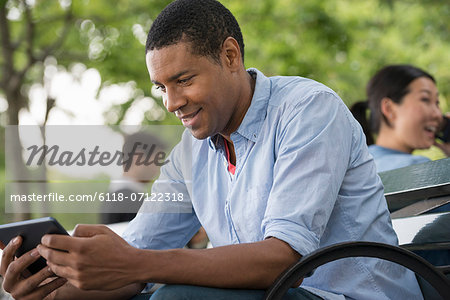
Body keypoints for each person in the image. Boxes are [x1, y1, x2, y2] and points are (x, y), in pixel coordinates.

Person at [0, 1, 423, 299]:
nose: (171, 102)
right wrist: (47, 292)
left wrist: (135, 265)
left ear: (230, 55)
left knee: (174, 297)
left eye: (183, 80)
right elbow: (134, 264)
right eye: (162, 88)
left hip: (344, 295)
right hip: (269, 295)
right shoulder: (192, 150)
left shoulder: (308, 109)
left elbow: (282, 262)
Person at [350, 65, 450, 173]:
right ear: (389, 109)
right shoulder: (417, 166)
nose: (438, 114)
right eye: (425, 99)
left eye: (437, 103)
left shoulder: (356, 165)